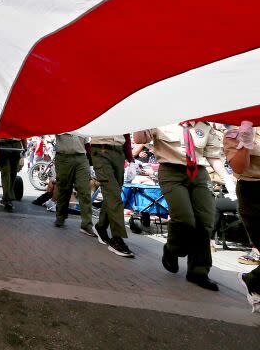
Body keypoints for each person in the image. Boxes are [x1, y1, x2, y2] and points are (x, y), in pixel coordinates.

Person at [133, 123, 217, 291]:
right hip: (171, 171)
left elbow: (213, 155)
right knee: (184, 218)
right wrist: (141, 116)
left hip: (199, 173)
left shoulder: (204, 124)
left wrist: (227, 179)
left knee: (205, 221)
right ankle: (172, 248)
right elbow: (140, 138)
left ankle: (198, 271)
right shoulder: (163, 117)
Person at [223, 121, 260, 312]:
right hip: (253, 191)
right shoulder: (235, 131)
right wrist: (245, 143)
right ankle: (254, 280)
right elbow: (239, 167)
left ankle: (254, 280)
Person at [90, 135, 135, 257]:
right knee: (114, 196)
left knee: (112, 195)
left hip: (119, 152)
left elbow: (126, 134)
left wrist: (131, 160)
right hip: (101, 149)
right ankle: (117, 238)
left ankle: (100, 227)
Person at [52, 133, 95, 235]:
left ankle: (87, 225)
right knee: (64, 189)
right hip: (63, 157)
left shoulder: (83, 120)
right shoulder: (59, 118)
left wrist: (91, 161)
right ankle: (60, 216)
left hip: (81, 157)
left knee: (84, 190)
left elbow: (86, 142)